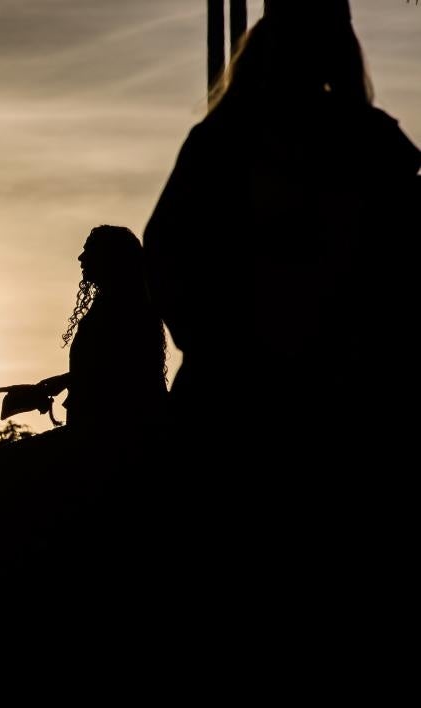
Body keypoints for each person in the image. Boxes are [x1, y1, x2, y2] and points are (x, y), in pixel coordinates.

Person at [142, 1, 419, 599]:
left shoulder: (360, 142)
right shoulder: (369, 141)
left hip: (297, 394)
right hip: (298, 395)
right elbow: (166, 249)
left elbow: (166, 249)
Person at [36, 225, 168, 436]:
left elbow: (124, 371)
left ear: (109, 258)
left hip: (119, 432)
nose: (80, 258)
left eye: (88, 251)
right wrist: (66, 380)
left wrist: (66, 380)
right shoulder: (113, 303)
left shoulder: (127, 307)